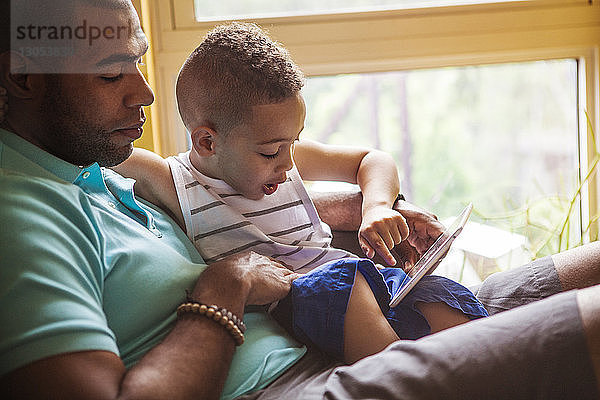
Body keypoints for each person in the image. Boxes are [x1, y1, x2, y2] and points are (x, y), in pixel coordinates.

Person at [0, 1, 598, 399]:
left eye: (136, 61)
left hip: (327, 332)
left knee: (588, 268)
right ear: (23, 77)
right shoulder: (20, 215)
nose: (147, 93)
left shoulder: (96, 164)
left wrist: (362, 211)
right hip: (294, 384)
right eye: (111, 76)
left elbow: (239, 200)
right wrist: (227, 287)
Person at [113, 22, 488, 364]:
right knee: (345, 283)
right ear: (208, 142)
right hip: (302, 298)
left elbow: (373, 160)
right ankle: (406, 377)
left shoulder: (289, 156)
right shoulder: (172, 181)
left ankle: (490, 361)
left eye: (294, 140)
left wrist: (375, 208)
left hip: (357, 280)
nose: (289, 162)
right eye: (270, 151)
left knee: (437, 296)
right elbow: (97, 152)